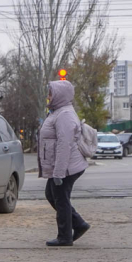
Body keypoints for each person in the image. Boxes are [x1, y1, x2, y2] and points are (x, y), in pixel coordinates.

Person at [38, 80, 91, 247]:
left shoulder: (65, 115)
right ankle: (78, 224)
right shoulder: (57, 112)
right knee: (52, 194)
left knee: (60, 198)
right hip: (62, 166)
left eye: (51, 93)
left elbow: (64, 145)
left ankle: (65, 237)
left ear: (60, 95)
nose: (48, 96)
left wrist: (59, 173)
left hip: (67, 167)